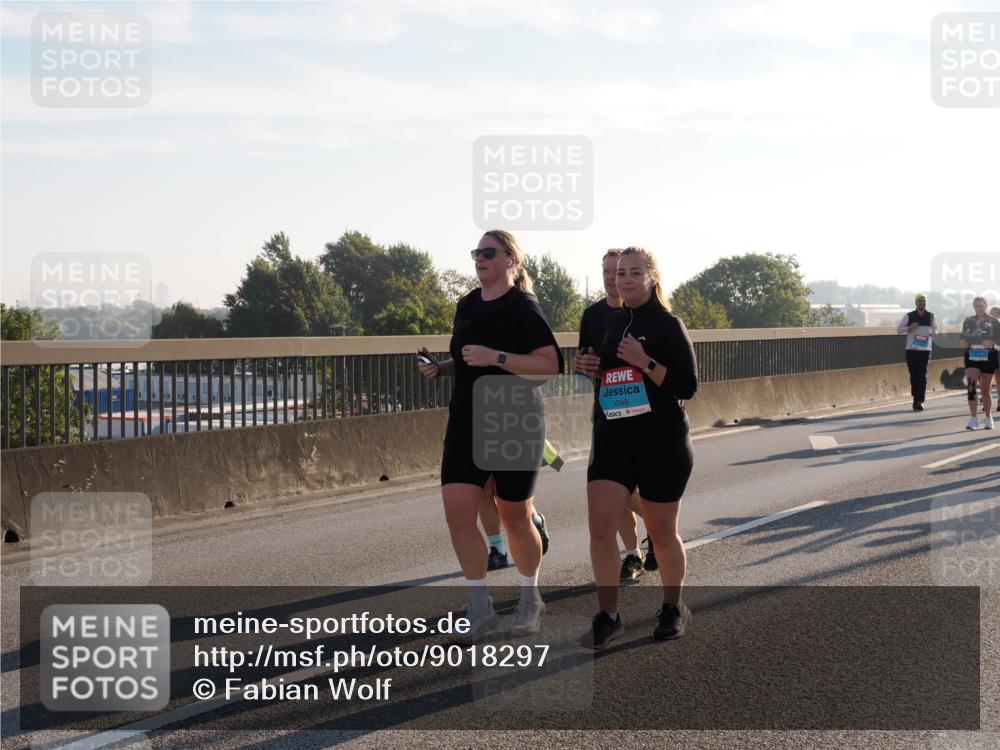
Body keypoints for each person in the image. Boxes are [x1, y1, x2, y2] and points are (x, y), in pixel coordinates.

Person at [418, 230, 563, 641]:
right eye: (476, 253)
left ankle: (530, 597)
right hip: (466, 419)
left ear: (511, 261)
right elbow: (468, 359)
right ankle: (479, 605)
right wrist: (441, 367)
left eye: (488, 252)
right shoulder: (466, 305)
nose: (479, 259)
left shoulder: (523, 307)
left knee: (514, 515)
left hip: (514, 419)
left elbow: (549, 365)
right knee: (457, 512)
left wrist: (496, 358)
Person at [582, 247, 698, 649]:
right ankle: (609, 616)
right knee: (599, 523)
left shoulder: (669, 325)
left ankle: (672, 607)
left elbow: (687, 387)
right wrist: (592, 369)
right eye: (618, 273)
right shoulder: (610, 320)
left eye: (633, 273)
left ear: (651, 276)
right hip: (613, 437)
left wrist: (645, 361)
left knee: (663, 534)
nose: (623, 279)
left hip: (661, 441)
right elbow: (611, 375)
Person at [574, 249, 656, 581]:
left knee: (642, 490)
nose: (612, 277)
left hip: (645, 416)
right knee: (614, 491)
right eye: (607, 271)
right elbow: (584, 361)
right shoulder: (592, 315)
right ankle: (633, 553)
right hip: (607, 412)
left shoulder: (646, 313)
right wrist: (582, 366)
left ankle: (659, 529)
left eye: (618, 271)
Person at [959, 296, 1000, 431]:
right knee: (971, 388)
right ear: (973, 307)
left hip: (989, 358)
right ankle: (973, 418)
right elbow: (963, 338)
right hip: (972, 358)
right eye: (976, 306)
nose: (979, 308)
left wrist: (992, 344)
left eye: (981, 305)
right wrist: (964, 342)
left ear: (986, 305)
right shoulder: (968, 321)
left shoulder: (994, 322)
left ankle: (988, 418)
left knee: (985, 389)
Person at [896, 294, 938, 411]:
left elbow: (936, 330)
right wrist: (910, 327)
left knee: (922, 375)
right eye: (919, 301)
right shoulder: (909, 316)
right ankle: (915, 398)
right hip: (911, 350)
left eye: (923, 301)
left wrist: (933, 333)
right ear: (916, 303)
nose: (922, 303)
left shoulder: (931, 316)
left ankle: (921, 400)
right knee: (914, 376)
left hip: (925, 350)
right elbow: (899, 330)